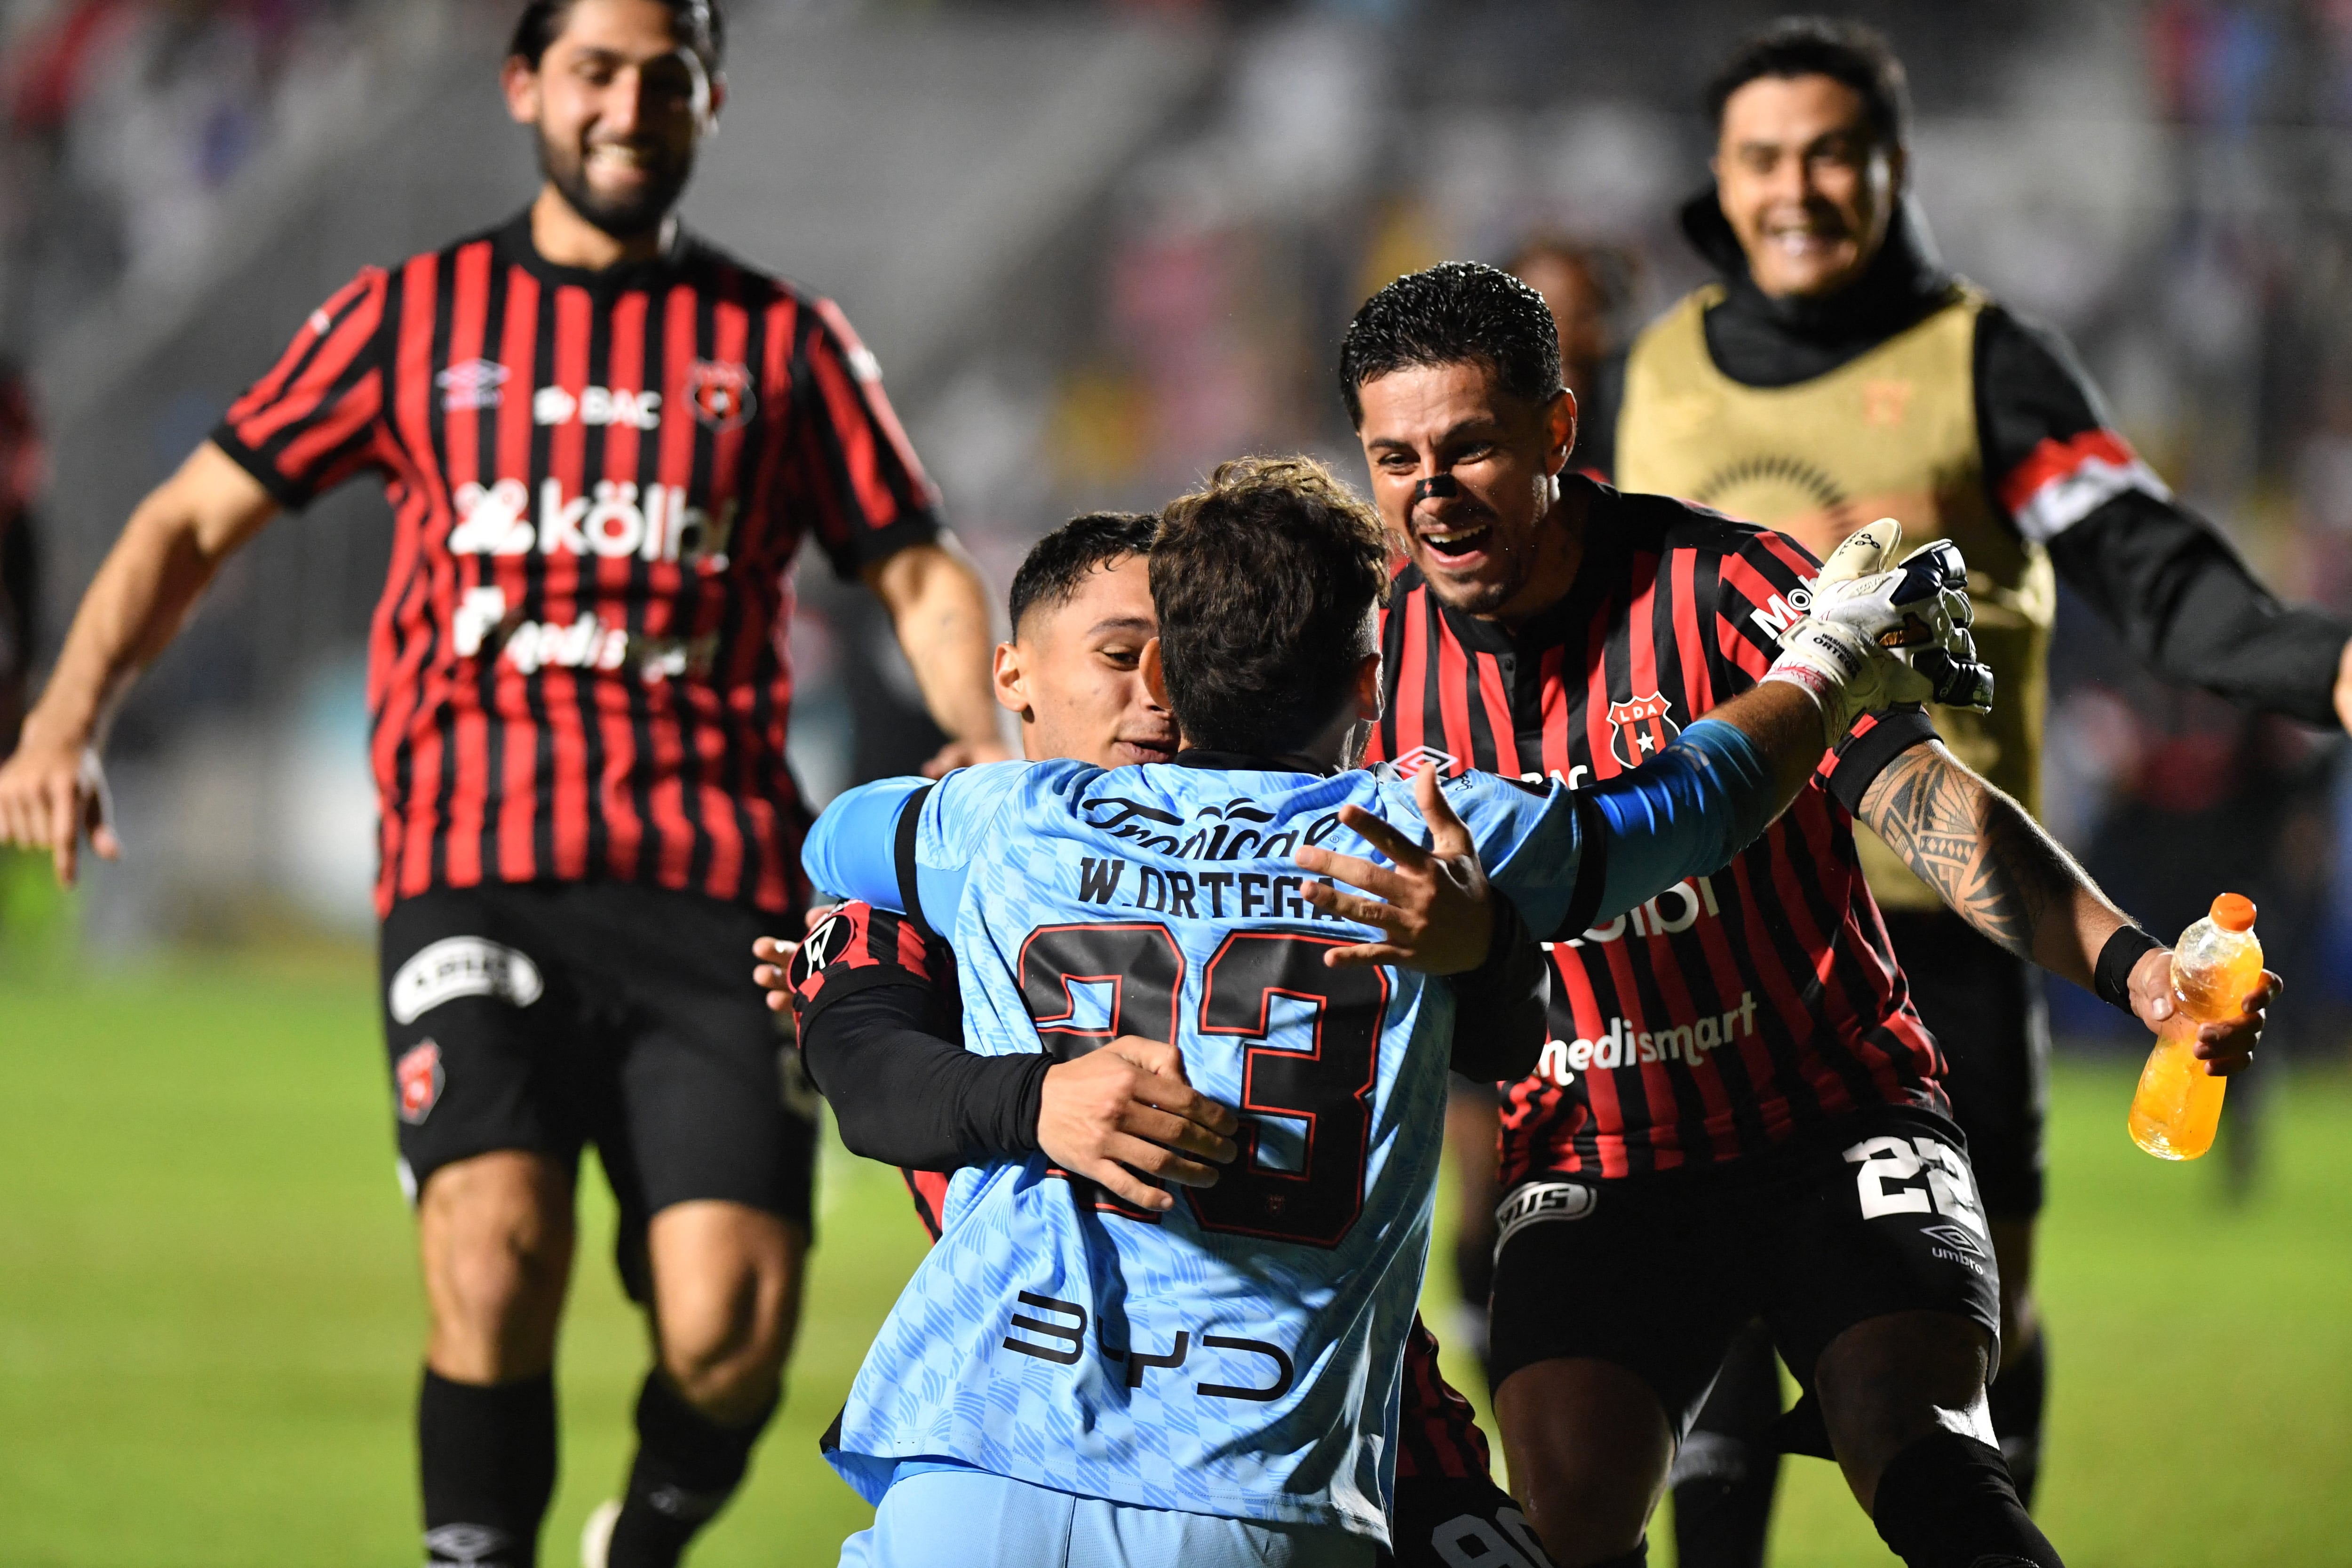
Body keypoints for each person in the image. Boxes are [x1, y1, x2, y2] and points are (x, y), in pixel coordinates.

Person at [0, 5, 1007, 1566]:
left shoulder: (786, 345)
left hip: (719, 891)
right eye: (593, 71)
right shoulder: (413, 316)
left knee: (730, 1326)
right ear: (525, 84)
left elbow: (921, 569)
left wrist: (986, 742)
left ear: (708, 101)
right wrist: (66, 717)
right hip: (476, 869)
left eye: (661, 78)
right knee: (493, 1247)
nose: (626, 104)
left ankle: (645, 1536)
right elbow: (192, 519)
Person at [792, 450, 1993, 1567]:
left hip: (969, 1468)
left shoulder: (998, 821)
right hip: (1251, 1488)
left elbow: (837, 834)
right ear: (1369, 683)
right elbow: (1683, 808)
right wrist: (1829, 659)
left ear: (1170, 671)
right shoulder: (1422, 839)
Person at [1339, 260, 2272, 1568]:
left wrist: (2135, 969)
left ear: (1557, 429)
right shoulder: (1368, 669)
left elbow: (1928, 806)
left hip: (1833, 1117)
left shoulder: (1722, 585)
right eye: (1395, 457)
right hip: (1598, 1160)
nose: (1431, 488)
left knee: (1928, 1451)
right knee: (1563, 1518)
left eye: (1470, 445)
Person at [1609, 19, 2352, 1559]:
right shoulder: (1646, 373)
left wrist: (2318, 664)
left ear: (1891, 166)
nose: (1798, 186)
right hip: (1712, 933)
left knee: (1969, 1344)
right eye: (1763, 156)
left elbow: (2150, 567)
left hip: (1945, 920)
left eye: (1832, 152)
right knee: (1719, 1349)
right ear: (1721, 178)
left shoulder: (1985, 360)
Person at [759, 509, 1557, 1567]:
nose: (1157, 688)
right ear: (1016, 676)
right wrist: (1036, 1100)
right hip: (1039, 1421)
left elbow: (1498, 1036)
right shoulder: (942, 867)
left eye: (1180, 653)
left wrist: (1489, 945)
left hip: (1341, 1402)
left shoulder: (1300, 853)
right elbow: (866, 1071)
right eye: (1118, 652)